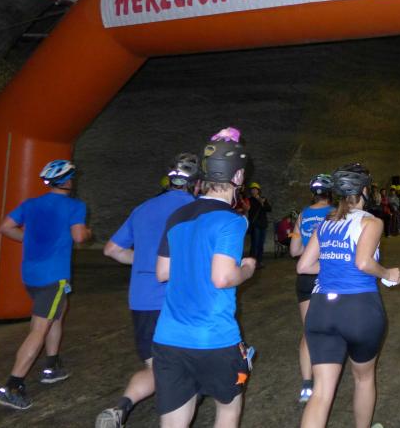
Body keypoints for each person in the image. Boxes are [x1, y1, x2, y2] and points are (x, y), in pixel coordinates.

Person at [151, 128, 256, 428]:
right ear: (238, 177)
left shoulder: (178, 216)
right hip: (214, 338)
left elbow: (162, 272)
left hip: (169, 337)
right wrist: (247, 268)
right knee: (228, 409)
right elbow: (222, 278)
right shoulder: (232, 221)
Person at [95, 153, 199, 428]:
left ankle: (121, 407)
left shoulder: (142, 209)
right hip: (179, 301)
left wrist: (146, 260)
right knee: (185, 367)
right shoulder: (197, 209)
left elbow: (112, 250)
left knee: (155, 367)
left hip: (142, 300)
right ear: (197, 183)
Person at [297, 163, 400, 428]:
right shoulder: (372, 222)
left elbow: (304, 266)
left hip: (321, 309)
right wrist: (388, 273)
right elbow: (364, 263)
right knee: (363, 378)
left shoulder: (326, 222)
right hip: (358, 309)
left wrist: (335, 264)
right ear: (365, 191)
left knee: (321, 392)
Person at [0, 160, 91, 410]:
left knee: (57, 314)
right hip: (53, 277)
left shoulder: (31, 204)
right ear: (67, 181)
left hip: (31, 275)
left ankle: (52, 365)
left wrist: (30, 238)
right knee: (39, 329)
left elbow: (5, 228)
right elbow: (79, 236)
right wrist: (88, 233)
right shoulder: (75, 206)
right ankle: (13, 386)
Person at [289, 173, 334, 403]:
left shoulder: (303, 214)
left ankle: (307, 385)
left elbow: (294, 250)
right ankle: (326, 380)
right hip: (328, 276)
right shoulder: (335, 214)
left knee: (309, 331)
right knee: (331, 330)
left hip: (306, 278)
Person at [247, 181, 271, 267]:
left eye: (255, 189)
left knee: (261, 244)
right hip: (255, 225)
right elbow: (250, 211)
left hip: (263, 224)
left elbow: (269, 209)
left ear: (258, 190)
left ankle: (259, 261)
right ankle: (252, 262)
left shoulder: (263, 199)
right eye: (252, 189)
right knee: (255, 244)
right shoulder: (249, 200)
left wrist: (262, 202)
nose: (254, 191)